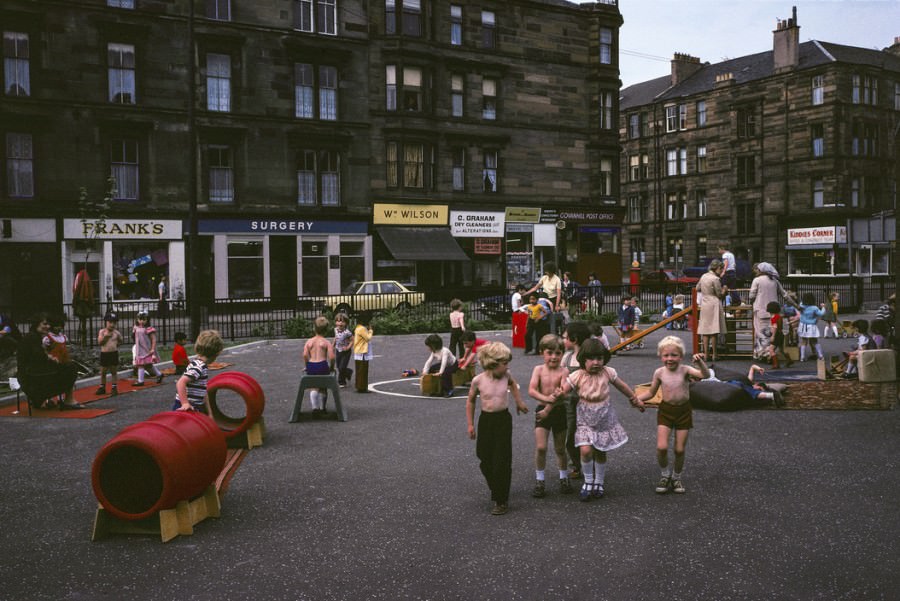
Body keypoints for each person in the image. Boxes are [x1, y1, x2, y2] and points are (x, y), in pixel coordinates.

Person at [554, 338, 641, 501]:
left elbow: (622, 386)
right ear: (583, 359)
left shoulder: (608, 372)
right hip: (585, 417)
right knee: (585, 450)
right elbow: (564, 389)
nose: (596, 362)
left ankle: (599, 482)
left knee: (601, 450)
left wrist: (634, 399)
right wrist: (559, 393)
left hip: (604, 418)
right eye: (591, 359)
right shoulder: (577, 375)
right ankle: (588, 481)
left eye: (599, 358)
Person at [634, 337, 709, 494]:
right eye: (666, 355)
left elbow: (705, 375)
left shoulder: (686, 370)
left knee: (679, 450)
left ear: (681, 356)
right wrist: (635, 399)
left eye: (674, 355)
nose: (670, 359)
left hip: (683, 412)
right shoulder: (659, 372)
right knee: (661, 447)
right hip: (666, 411)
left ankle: (676, 477)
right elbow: (651, 392)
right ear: (661, 356)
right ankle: (665, 475)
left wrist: (700, 362)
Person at [465, 341, 528, 516]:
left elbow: (514, 385)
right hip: (486, 420)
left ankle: (501, 500)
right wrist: (470, 424)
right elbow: (470, 401)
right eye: (505, 363)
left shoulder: (507, 375)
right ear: (493, 363)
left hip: (502, 420)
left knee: (502, 459)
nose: (507, 366)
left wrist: (519, 402)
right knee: (484, 457)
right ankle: (497, 486)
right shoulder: (478, 380)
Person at [528, 334, 573, 498]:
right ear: (542, 353)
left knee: (560, 448)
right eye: (550, 353)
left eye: (558, 353)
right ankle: (540, 480)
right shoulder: (538, 370)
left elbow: (562, 393)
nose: (554, 357)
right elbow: (532, 390)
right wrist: (547, 400)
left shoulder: (564, 371)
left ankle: (564, 477)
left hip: (559, 411)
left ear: (562, 354)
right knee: (541, 447)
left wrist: (551, 404)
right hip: (541, 411)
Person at [16, 313, 82, 409]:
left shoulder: (35, 337)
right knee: (70, 368)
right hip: (31, 376)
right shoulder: (32, 338)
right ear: (36, 324)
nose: (48, 326)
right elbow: (38, 358)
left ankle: (43, 399)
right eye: (45, 324)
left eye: (48, 324)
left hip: (31, 373)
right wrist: (50, 357)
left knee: (65, 366)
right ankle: (68, 400)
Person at [561, 321, 591, 480]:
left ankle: (589, 464)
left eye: (565, 337)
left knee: (588, 436)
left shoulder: (587, 358)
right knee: (571, 435)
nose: (563, 340)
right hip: (570, 403)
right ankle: (577, 465)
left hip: (587, 403)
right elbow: (563, 378)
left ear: (574, 339)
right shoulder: (567, 357)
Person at [748, 262, 794, 357]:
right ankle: (772, 353)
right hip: (774, 312)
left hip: (760, 311)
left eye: (757, 269)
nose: (756, 271)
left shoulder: (757, 280)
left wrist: (751, 302)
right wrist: (796, 305)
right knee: (773, 333)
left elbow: (751, 296)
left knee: (762, 334)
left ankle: (763, 354)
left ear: (761, 270)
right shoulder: (775, 281)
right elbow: (785, 295)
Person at [172, 329, 225, 412]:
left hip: (196, 405)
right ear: (217, 353)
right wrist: (185, 403)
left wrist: (209, 413)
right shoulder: (198, 367)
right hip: (187, 406)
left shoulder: (200, 365)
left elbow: (203, 391)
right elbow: (180, 382)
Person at [304, 315, 336, 415]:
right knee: (323, 386)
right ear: (326, 330)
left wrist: (307, 365)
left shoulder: (309, 341)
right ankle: (323, 408)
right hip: (322, 365)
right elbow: (332, 357)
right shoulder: (326, 342)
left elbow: (305, 355)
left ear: (314, 328)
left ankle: (315, 408)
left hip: (312, 366)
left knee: (314, 387)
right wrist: (331, 367)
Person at [696, 259, 727, 361]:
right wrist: (724, 290)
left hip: (705, 304)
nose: (721, 271)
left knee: (705, 331)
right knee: (714, 331)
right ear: (717, 268)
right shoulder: (715, 279)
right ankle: (714, 354)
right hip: (713, 303)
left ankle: (706, 354)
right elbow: (719, 295)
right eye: (721, 269)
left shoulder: (704, 276)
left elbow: (697, 288)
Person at [525, 261, 562, 333]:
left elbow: (558, 293)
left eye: (547, 271)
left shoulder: (557, 279)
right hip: (545, 297)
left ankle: (552, 330)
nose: (546, 272)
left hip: (553, 298)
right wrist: (526, 293)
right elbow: (535, 288)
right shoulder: (544, 278)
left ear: (551, 271)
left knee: (550, 315)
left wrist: (557, 305)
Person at [96, 313, 124, 396]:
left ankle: (114, 387)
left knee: (113, 371)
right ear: (106, 322)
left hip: (113, 354)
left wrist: (116, 345)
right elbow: (100, 342)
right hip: (105, 354)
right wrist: (106, 337)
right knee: (103, 372)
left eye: (114, 323)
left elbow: (120, 340)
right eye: (110, 322)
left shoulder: (116, 333)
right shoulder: (102, 331)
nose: (112, 325)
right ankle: (102, 387)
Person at [132, 310, 163, 386]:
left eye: (144, 319)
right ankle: (159, 374)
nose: (141, 321)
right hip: (140, 349)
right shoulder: (136, 328)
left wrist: (152, 349)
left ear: (147, 320)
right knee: (147, 365)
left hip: (147, 349)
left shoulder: (148, 329)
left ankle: (140, 381)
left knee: (141, 364)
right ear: (137, 319)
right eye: (140, 319)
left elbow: (153, 339)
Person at [422, 333, 458, 398]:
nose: (427, 347)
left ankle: (449, 390)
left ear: (433, 345)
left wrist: (440, 372)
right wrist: (425, 372)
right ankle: (436, 389)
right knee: (431, 369)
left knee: (445, 373)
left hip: (452, 364)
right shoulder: (434, 351)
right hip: (444, 364)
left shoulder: (445, 351)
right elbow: (428, 362)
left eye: (428, 346)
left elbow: (444, 362)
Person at [798, 292, 825, 362]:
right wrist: (823, 307)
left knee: (804, 341)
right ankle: (820, 355)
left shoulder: (801, 306)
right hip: (811, 326)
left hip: (803, 325)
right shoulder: (814, 308)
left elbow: (800, 303)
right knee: (814, 341)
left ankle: (802, 357)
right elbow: (821, 313)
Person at [766, 301, 793, 368]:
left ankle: (776, 364)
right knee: (781, 350)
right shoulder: (779, 316)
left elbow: (775, 327)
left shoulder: (773, 317)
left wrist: (773, 336)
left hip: (776, 334)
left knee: (771, 349)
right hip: (781, 334)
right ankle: (789, 360)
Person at [353, 312, 373, 393]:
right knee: (363, 370)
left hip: (358, 351)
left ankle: (359, 386)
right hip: (362, 352)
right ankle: (362, 387)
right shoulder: (362, 329)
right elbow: (368, 338)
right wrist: (371, 330)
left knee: (359, 370)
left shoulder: (358, 328)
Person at [333, 313, 353, 387]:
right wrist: (333, 345)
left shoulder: (347, 333)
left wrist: (348, 347)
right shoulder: (335, 330)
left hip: (346, 352)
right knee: (338, 366)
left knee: (342, 367)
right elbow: (336, 338)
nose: (340, 323)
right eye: (338, 321)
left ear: (346, 323)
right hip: (338, 350)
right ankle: (348, 372)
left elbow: (352, 341)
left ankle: (342, 382)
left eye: (342, 321)